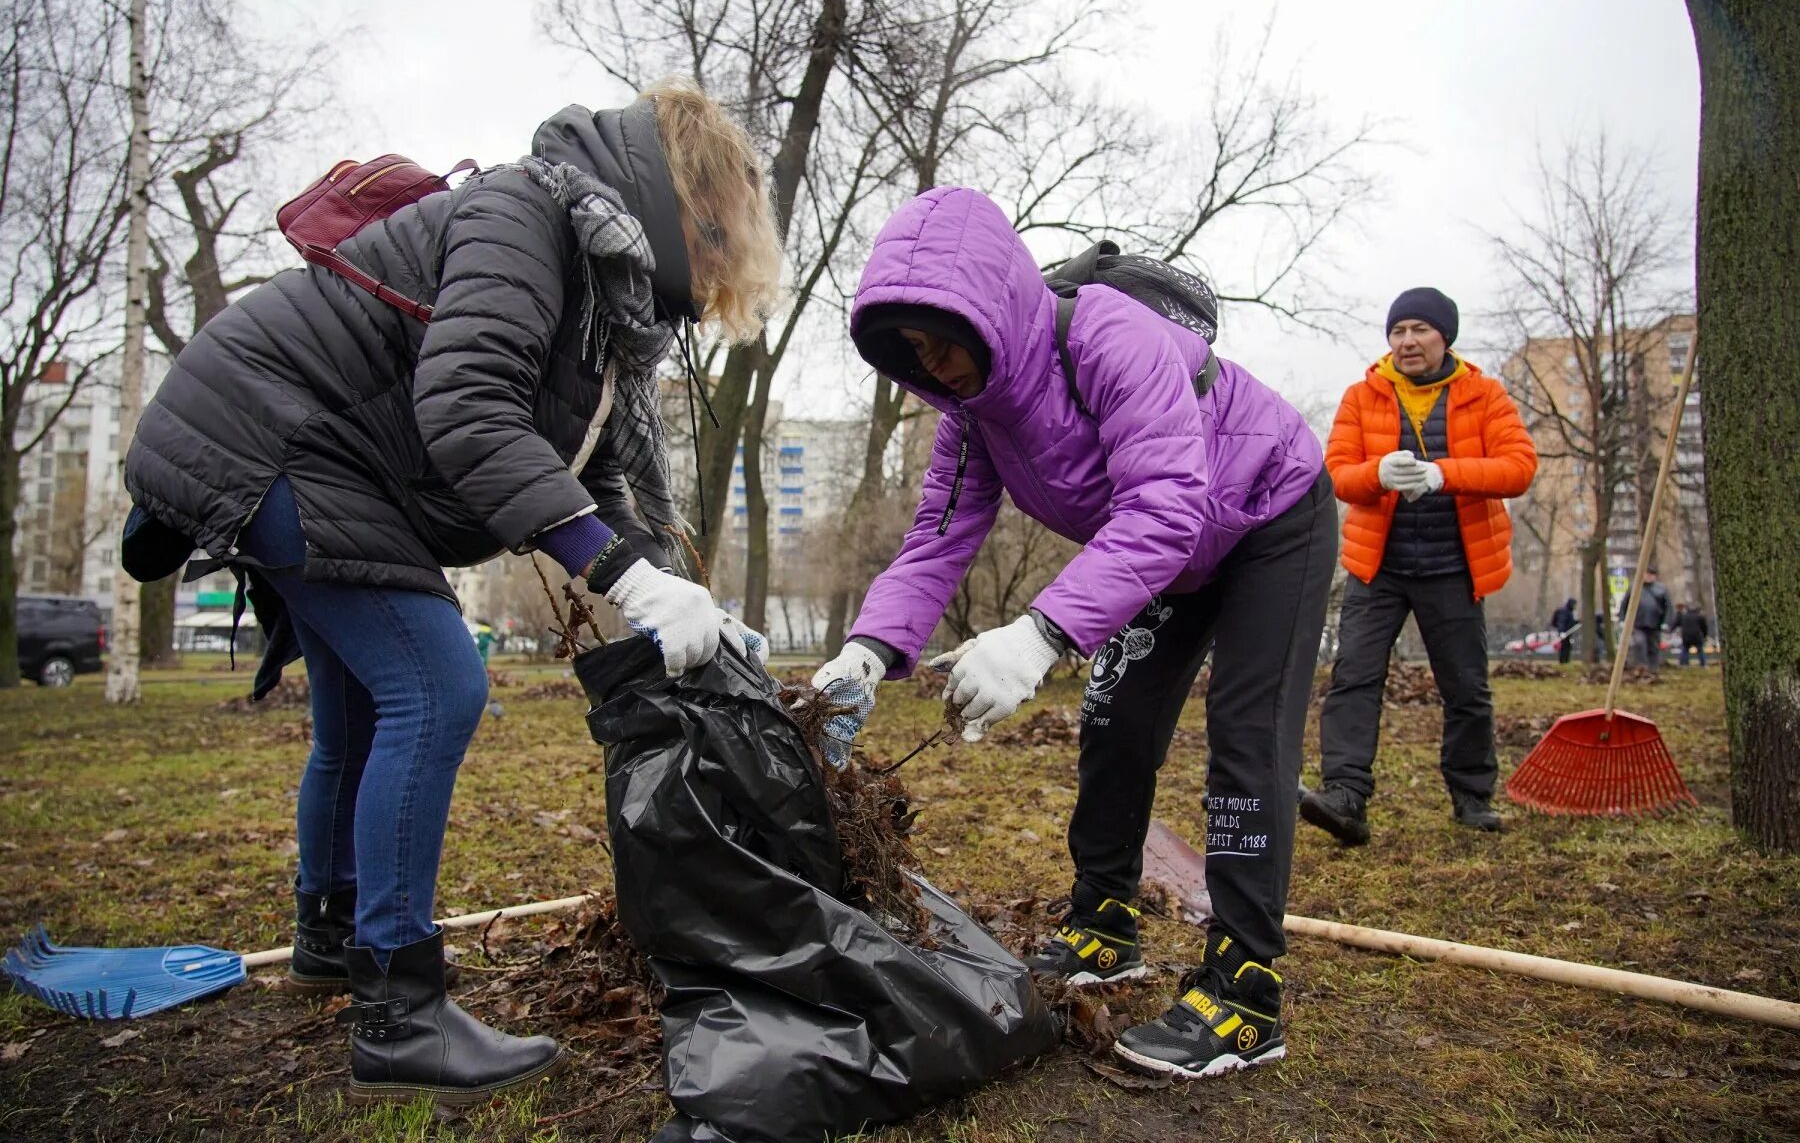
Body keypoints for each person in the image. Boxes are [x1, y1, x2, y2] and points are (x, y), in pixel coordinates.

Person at [120, 81, 782, 1106]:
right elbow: (469, 408)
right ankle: (399, 1016)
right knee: (437, 690)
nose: (704, 278)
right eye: (710, 245)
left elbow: (595, 471)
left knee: (356, 717)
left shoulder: (603, 310)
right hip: (281, 437)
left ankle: (332, 937)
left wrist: (682, 592)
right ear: (678, 199)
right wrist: (620, 574)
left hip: (324, 456)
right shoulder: (529, 216)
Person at [811, 187, 1335, 1081]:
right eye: (911, 353)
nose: (934, 365)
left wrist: (1039, 634)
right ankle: (1105, 922)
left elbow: (1168, 505)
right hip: (1174, 554)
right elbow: (937, 537)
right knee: (1115, 720)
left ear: (993, 308)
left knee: (1245, 739)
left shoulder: (1107, 337)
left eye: (942, 337)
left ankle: (1246, 993)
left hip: (1268, 517)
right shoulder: (970, 420)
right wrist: (866, 653)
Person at [1300, 288, 1537, 845]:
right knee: (1354, 678)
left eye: (1419, 330)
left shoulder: (1484, 395)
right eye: (1398, 331)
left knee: (1466, 687)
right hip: (1376, 566)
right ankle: (1345, 795)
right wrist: (1377, 473)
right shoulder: (1363, 395)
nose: (1407, 341)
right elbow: (1336, 472)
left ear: (1444, 336)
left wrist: (1444, 474)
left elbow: (1519, 467)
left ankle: (1472, 795)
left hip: (1454, 565)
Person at [1621, 566, 1672, 672]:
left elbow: (1668, 607)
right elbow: (1624, 605)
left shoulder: (1661, 589)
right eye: (1647, 574)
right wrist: (1623, 620)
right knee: (1640, 644)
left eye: (1651, 575)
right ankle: (1641, 666)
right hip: (1638, 623)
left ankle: (1653, 669)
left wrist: (1666, 622)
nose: (1649, 577)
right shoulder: (1634, 588)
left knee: (1653, 647)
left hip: (1655, 623)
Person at [1675, 602, 1711, 667]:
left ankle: (1684, 663)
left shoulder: (1684, 616)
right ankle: (1703, 664)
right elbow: (1704, 627)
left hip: (1686, 636)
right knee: (1700, 650)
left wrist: (1670, 630)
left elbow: (1677, 623)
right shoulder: (1700, 616)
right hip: (1697, 636)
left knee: (1685, 650)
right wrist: (1705, 635)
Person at [1551, 597, 1578, 664]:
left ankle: (1566, 660)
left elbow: (1571, 622)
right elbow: (1561, 622)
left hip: (1568, 633)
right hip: (1564, 633)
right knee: (1564, 647)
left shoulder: (1570, 612)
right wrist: (1562, 632)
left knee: (1567, 646)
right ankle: (1563, 661)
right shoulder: (1564, 611)